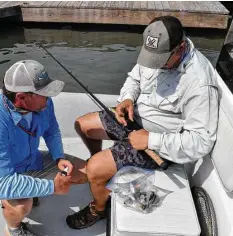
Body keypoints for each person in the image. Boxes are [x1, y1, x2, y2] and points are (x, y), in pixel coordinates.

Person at [66, 16, 219, 229]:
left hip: (158, 144)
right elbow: (135, 78)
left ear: (181, 47)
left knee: (94, 169)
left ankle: (98, 209)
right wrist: (127, 98)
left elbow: (201, 142)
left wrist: (151, 140)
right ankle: (102, 172)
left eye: (162, 60)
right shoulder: (156, 52)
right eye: (151, 58)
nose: (156, 65)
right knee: (82, 126)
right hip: (131, 118)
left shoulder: (199, 83)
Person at [0, 60, 87, 236]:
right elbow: (1, 185)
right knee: (22, 205)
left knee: (83, 172)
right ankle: (14, 229)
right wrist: (53, 187)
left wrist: (59, 157)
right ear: (22, 97)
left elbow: (51, 130)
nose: (49, 97)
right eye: (44, 93)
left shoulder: (44, 104)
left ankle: (31, 187)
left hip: (29, 160)